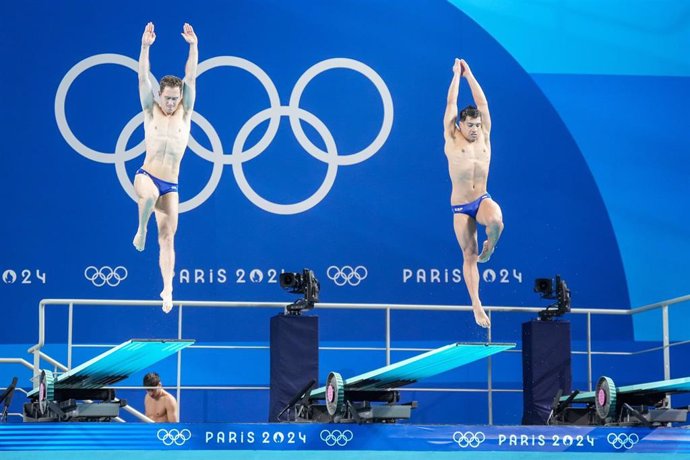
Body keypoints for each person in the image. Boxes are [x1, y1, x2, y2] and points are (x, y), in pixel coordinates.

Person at [133, 22, 198, 313]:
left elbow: (191, 77)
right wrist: (145, 48)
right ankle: (141, 229)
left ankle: (167, 289)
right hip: (146, 176)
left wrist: (194, 46)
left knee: (169, 237)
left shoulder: (185, 114)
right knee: (147, 198)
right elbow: (142, 78)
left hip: (170, 186)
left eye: (175, 98)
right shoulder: (150, 111)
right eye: (167, 98)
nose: (171, 103)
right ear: (160, 95)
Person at [443, 58, 504, 329]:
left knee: (497, 221)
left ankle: (491, 247)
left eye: (478, 125)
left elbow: (484, 105)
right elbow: (451, 105)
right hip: (460, 207)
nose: (475, 129)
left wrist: (471, 75)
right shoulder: (452, 137)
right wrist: (457, 75)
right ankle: (476, 305)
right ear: (460, 125)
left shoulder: (485, 135)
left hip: (481, 200)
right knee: (469, 255)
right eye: (470, 126)